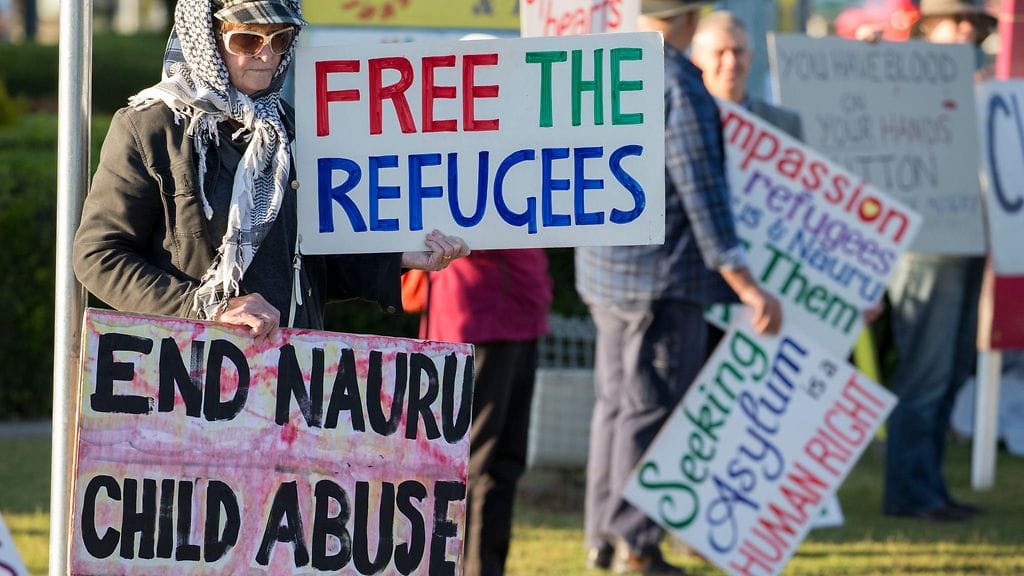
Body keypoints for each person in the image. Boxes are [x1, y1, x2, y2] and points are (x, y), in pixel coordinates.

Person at [73, 0, 468, 336]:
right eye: (247, 39)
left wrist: (398, 256)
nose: (267, 55)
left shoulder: (292, 127)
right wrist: (206, 309)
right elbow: (98, 255)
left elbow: (307, 260)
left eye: (280, 39)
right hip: (190, 379)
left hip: (287, 376)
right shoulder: (151, 126)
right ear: (207, 38)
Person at [575, 1, 783, 574]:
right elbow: (702, 191)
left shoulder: (611, 64)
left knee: (617, 409)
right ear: (690, 19)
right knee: (650, 412)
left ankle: (604, 538)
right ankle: (636, 547)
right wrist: (745, 283)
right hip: (662, 276)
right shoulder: (679, 83)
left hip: (605, 271)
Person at [881, 0, 994, 523]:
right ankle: (911, 490)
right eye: (959, 21)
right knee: (926, 373)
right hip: (924, 244)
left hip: (972, 239)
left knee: (952, 372)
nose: (968, 30)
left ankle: (929, 485)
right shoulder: (907, 83)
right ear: (932, 28)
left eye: (974, 22)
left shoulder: (984, 87)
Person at [419, 249, 552, 576]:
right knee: (481, 462)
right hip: (483, 313)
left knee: (503, 459)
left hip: (515, 309)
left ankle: (484, 566)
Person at [690, 10, 802, 139]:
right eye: (719, 52)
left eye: (738, 51)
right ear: (696, 61)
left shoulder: (784, 124)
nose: (731, 62)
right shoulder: (682, 123)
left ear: (750, 56)